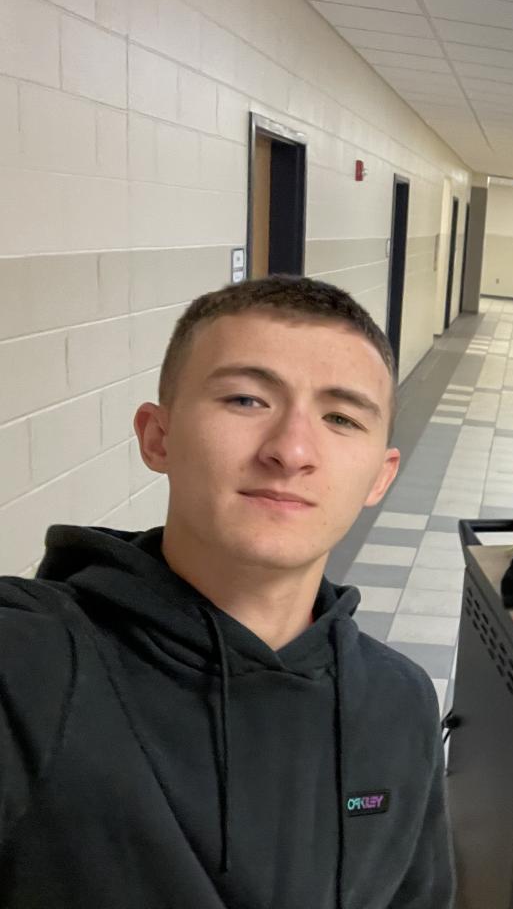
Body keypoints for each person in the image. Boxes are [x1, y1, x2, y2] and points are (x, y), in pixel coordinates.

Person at [0, 277, 453, 908]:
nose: (291, 450)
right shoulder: (32, 665)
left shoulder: (400, 703)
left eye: (341, 418)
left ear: (380, 477)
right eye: (246, 399)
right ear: (158, 437)